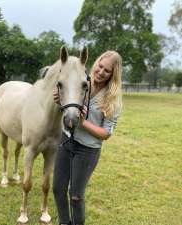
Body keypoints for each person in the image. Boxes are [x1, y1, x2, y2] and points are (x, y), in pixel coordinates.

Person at [52, 50, 123, 225]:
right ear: (96, 62)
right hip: (67, 141)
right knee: (58, 190)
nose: (100, 72)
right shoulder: (81, 82)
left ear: (113, 74)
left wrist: (84, 123)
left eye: (106, 71)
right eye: (100, 66)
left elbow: (106, 134)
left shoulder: (113, 99)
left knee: (76, 196)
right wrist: (60, 100)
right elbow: (69, 106)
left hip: (87, 150)